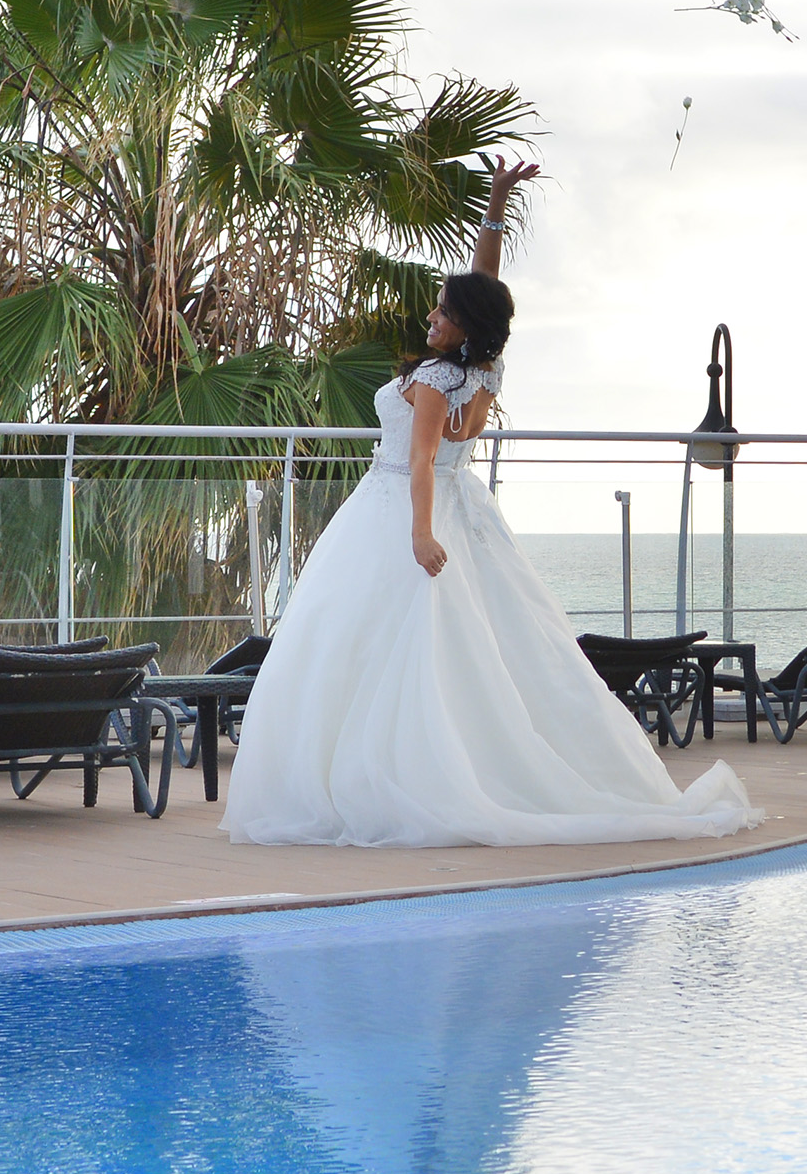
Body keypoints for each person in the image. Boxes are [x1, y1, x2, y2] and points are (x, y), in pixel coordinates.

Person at [224, 157, 760, 847]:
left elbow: (418, 460)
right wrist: (495, 206)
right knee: (471, 646)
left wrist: (418, 536)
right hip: (462, 506)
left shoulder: (438, 376)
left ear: (460, 326)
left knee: (389, 646)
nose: (431, 314)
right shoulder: (480, 367)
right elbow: (486, 288)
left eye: (441, 311)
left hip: (403, 507)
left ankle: (402, 782)